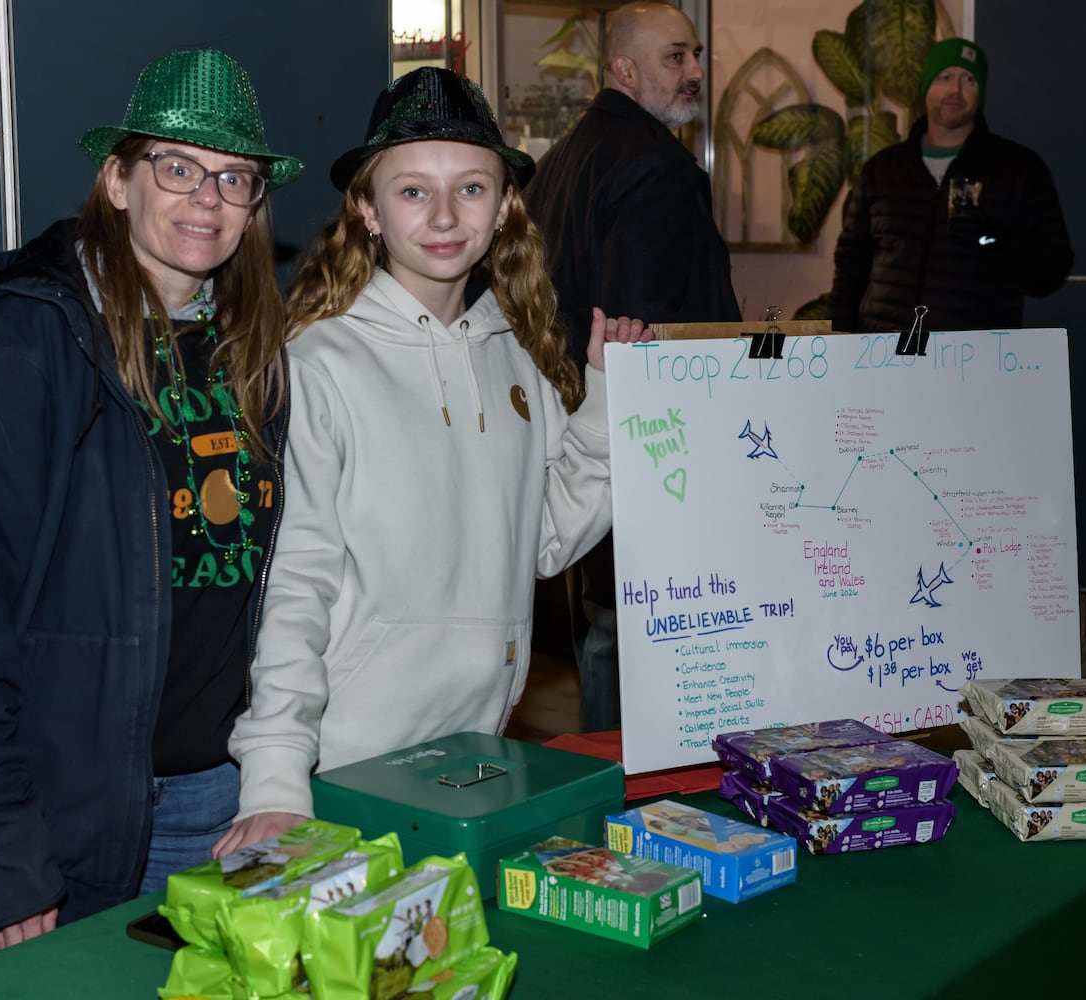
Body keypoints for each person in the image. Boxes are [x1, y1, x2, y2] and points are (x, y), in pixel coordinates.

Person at [0, 49, 301, 984]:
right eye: (176, 167)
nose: (206, 197)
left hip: (204, 811)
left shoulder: (250, 351)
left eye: (234, 178)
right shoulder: (27, 343)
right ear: (117, 179)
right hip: (36, 831)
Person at [215, 68, 650, 852]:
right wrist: (276, 781)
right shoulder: (319, 363)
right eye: (413, 191)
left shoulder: (514, 355)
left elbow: (544, 538)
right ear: (367, 210)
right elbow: (294, 585)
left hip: (476, 754)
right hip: (346, 766)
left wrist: (608, 402)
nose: (445, 216)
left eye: (472, 189)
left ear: (507, 204)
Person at [524, 0, 740, 732]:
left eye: (695, 56)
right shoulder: (654, 168)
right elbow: (639, 331)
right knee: (637, 645)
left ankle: (607, 795)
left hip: (582, 435)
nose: (695, 73)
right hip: (652, 446)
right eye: (675, 57)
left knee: (605, 629)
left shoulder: (560, 161)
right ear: (623, 68)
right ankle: (641, 805)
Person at [829, 37, 1073, 333]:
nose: (955, 90)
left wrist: (995, 241)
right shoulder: (882, 170)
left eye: (968, 79)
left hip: (973, 359)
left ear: (980, 92)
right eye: (944, 77)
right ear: (926, 88)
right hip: (883, 356)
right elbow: (850, 266)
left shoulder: (1019, 170)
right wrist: (839, 339)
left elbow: (1053, 269)